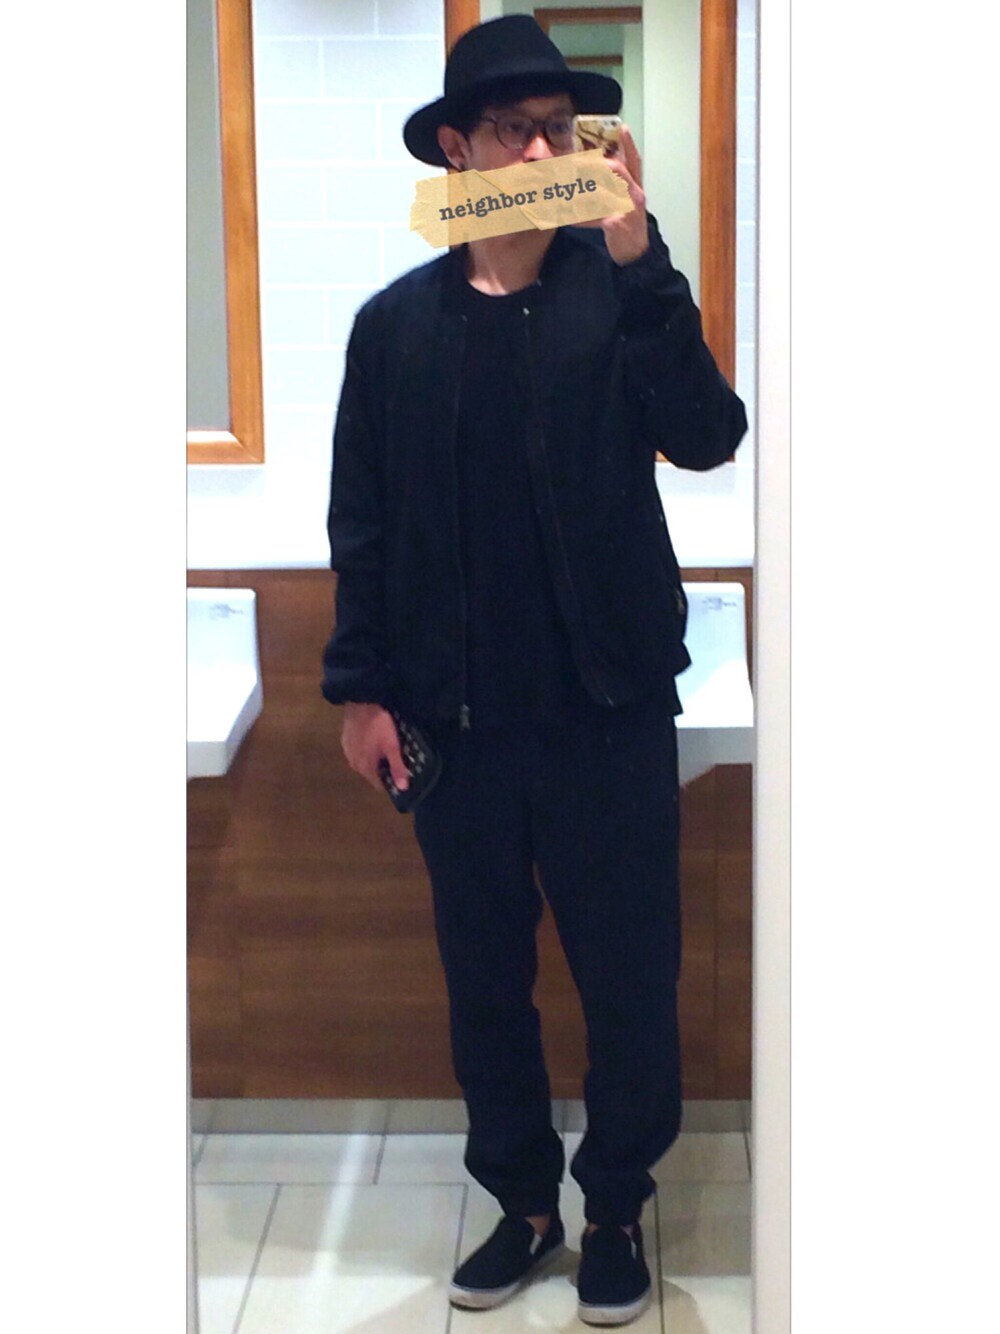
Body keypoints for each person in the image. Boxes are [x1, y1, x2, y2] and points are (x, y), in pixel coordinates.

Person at [321, 14, 746, 1328]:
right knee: (484, 985)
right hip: (458, 727)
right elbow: (363, 522)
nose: (548, 151)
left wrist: (640, 253)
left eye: (565, 129)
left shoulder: (617, 296)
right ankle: (522, 1202)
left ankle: (615, 1202)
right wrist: (359, 690)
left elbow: (709, 435)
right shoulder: (394, 328)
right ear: (459, 149)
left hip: (607, 714)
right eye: (519, 131)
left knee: (632, 980)